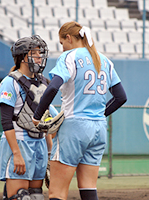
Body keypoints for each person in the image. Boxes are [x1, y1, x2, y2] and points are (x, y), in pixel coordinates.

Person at [32, 21, 127, 200]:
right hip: (99, 129)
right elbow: (121, 97)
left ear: (69, 38)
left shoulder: (70, 57)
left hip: (74, 127)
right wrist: (99, 115)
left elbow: (52, 88)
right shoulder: (104, 60)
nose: (62, 48)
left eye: (62, 43)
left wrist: (37, 117)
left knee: (57, 192)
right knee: (89, 189)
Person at [0, 35, 59, 200]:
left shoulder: (43, 83)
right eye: (35, 54)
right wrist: (16, 154)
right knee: (20, 197)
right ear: (23, 57)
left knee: (36, 197)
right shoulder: (10, 83)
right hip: (19, 143)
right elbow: (6, 121)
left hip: (39, 145)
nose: (40, 58)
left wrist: (49, 154)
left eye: (40, 53)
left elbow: (47, 120)